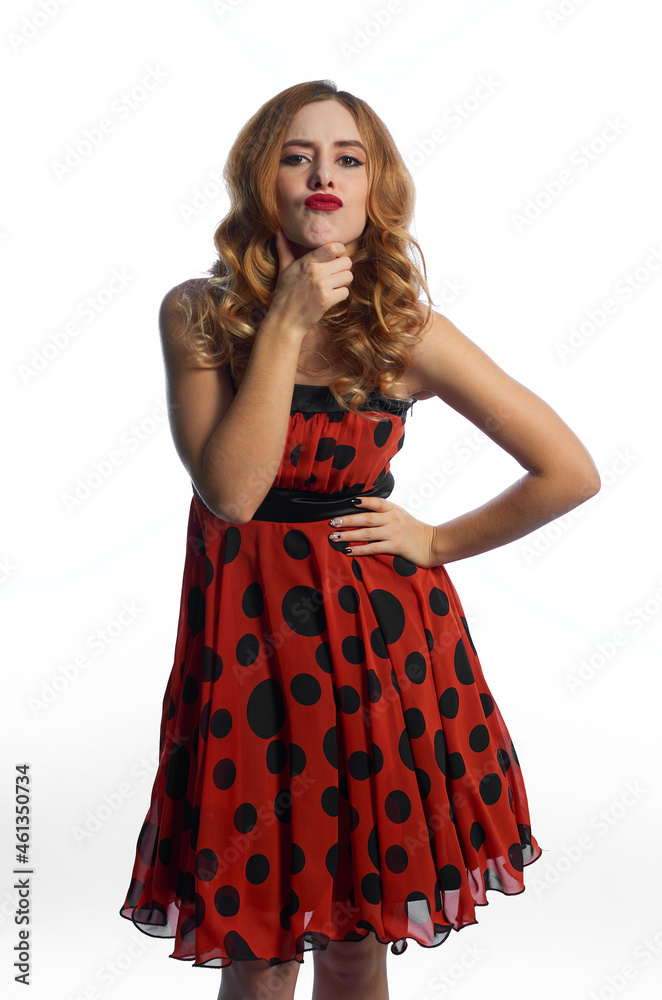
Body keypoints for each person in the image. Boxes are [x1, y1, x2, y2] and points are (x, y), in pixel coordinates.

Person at [119, 80, 601, 1000]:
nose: (323, 175)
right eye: (297, 155)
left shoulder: (404, 331)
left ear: (375, 187)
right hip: (245, 656)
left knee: (354, 939)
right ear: (261, 179)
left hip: (373, 651)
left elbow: (568, 471)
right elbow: (231, 491)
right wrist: (287, 322)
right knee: (257, 949)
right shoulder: (198, 314)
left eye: (348, 157)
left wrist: (438, 540)